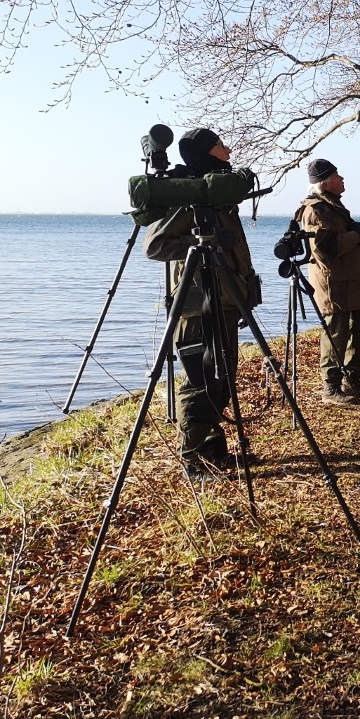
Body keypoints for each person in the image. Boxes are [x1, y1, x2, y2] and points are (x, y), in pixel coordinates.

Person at [143, 127, 260, 477]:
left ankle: (213, 451)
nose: (228, 148)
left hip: (223, 300)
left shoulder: (215, 195)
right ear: (207, 153)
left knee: (221, 380)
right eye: (220, 145)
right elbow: (155, 246)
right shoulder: (192, 195)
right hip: (197, 305)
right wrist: (201, 243)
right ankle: (193, 460)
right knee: (200, 381)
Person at [295, 158, 360, 406]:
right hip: (334, 283)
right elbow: (325, 249)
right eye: (337, 176)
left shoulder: (333, 206)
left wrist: (356, 234)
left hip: (351, 280)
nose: (342, 180)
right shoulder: (316, 210)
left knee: (358, 331)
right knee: (336, 333)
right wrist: (355, 236)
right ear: (325, 182)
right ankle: (330, 387)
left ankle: (353, 381)